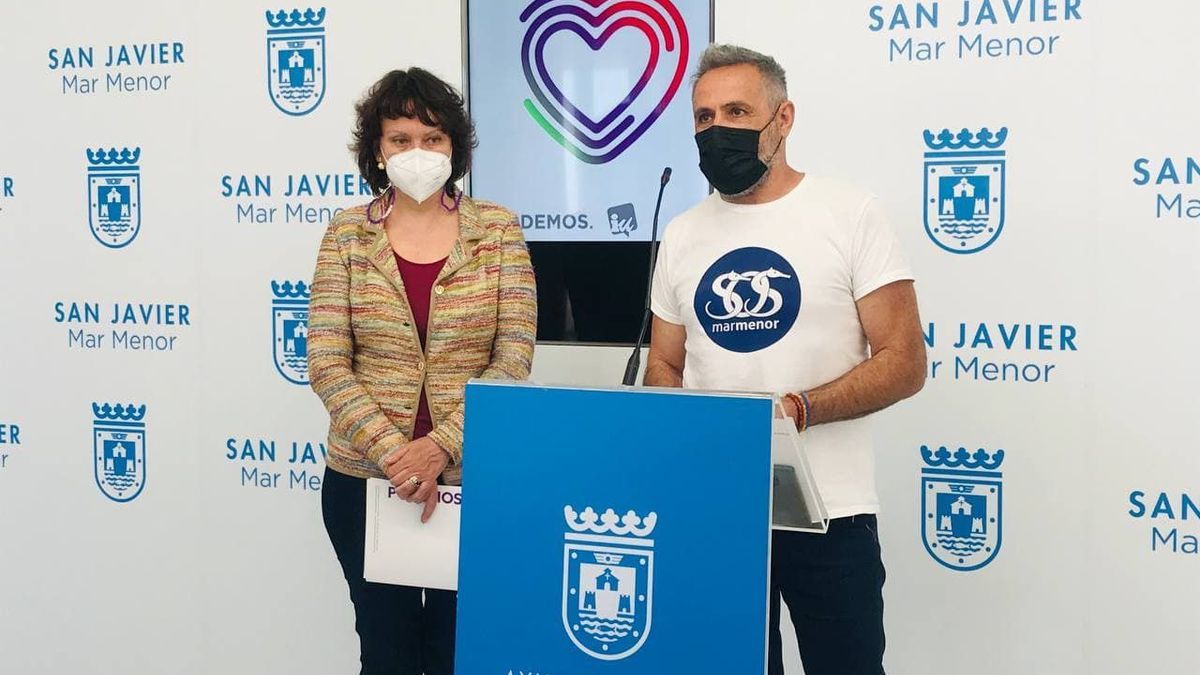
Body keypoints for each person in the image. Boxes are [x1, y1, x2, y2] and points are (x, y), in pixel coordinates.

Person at [644, 45, 927, 675]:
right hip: (718, 506)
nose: (717, 130)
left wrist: (799, 409)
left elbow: (905, 360)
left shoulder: (849, 213)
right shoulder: (683, 233)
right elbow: (664, 363)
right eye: (704, 117)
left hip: (832, 513)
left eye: (737, 112)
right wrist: (682, 423)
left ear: (783, 118)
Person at [307, 67, 537, 675]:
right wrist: (397, 456)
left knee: (458, 652)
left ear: (454, 147)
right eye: (401, 138)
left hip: (472, 481)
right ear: (377, 150)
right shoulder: (347, 234)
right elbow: (326, 361)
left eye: (433, 138)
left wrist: (440, 447)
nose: (418, 151)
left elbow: (513, 356)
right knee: (387, 653)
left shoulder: (497, 230)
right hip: (365, 482)